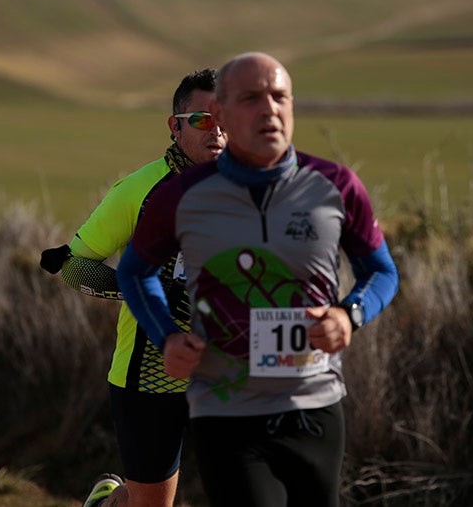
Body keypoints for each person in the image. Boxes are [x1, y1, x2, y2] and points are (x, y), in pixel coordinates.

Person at [115, 52, 399, 506]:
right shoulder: (180, 195)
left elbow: (381, 271)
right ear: (222, 115)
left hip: (314, 401)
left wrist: (351, 314)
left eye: (279, 96)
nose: (268, 109)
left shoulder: (337, 185)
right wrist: (166, 335)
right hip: (225, 407)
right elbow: (135, 271)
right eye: (251, 98)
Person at [41, 68, 226, 507]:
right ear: (175, 126)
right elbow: (73, 268)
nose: (216, 131)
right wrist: (144, 290)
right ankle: (107, 503)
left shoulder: (254, 191)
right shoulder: (139, 191)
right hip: (149, 375)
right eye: (202, 119)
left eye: (226, 118)